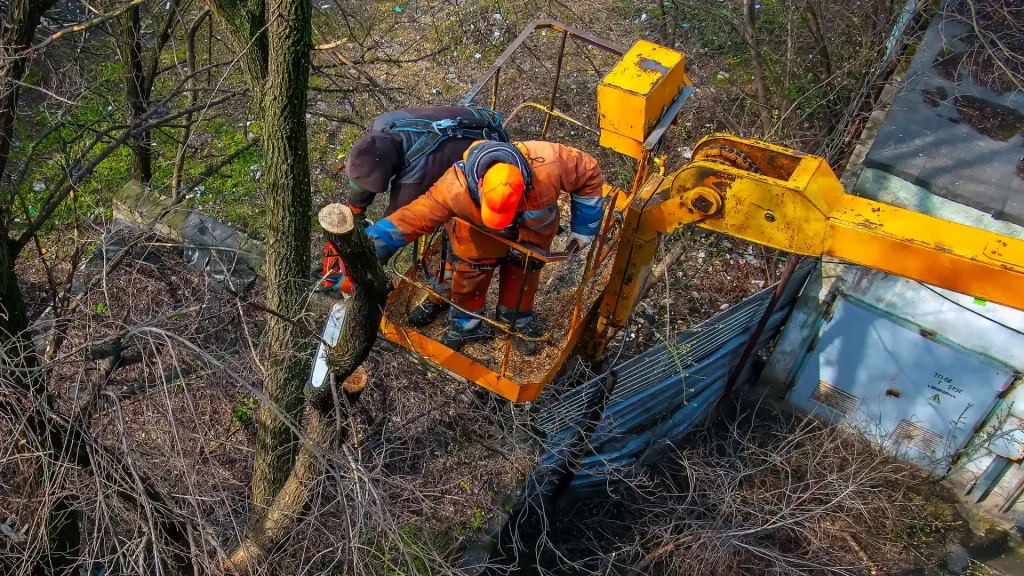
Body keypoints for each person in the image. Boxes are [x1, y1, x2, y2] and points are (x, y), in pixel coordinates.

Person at [363, 140, 607, 356]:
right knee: (469, 277)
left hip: (533, 238)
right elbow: (413, 217)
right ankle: (466, 325)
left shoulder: (550, 163)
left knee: (523, 280)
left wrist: (584, 227)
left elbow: (588, 172)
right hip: (478, 239)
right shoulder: (453, 187)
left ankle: (516, 323)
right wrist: (367, 245)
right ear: (479, 184)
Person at [320, 106, 508, 326]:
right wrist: (355, 210)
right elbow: (367, 167)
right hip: (471, 126)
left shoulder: (419, 172)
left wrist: (360, 269)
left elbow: (397, 226)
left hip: (487, 166)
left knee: (462, 240)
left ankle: (448, 298)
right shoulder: (381, 128)